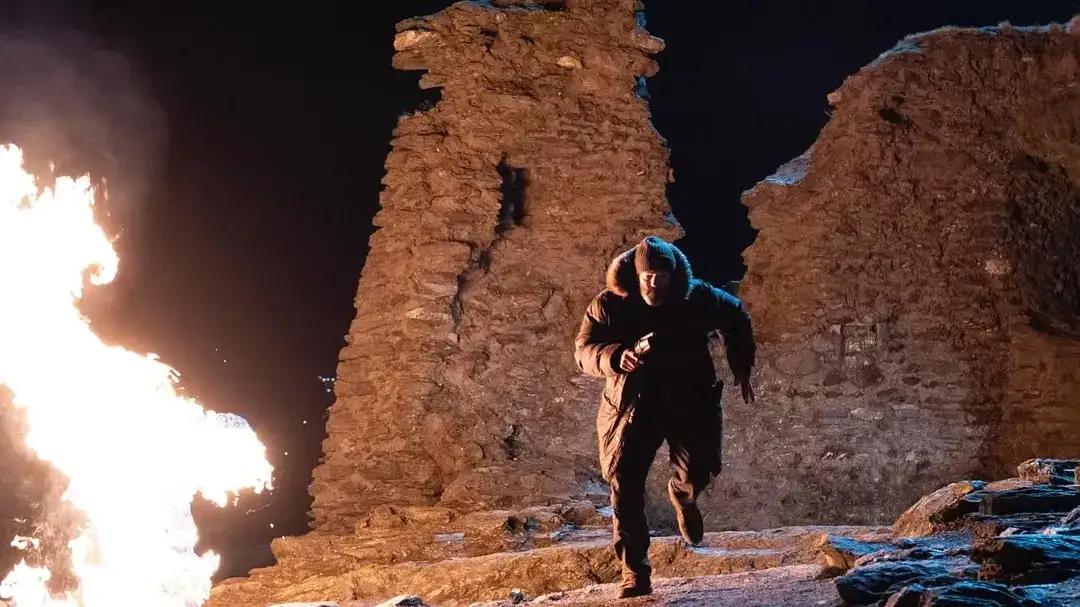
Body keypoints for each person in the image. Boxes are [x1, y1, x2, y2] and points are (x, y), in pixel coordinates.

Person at [573, 235, 756, 598]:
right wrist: (615, 357)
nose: (654, 285)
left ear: (674, 276)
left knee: (697, 469)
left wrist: (741, 363)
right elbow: (584, 350)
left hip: (688, 400)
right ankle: (635, 572)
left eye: (662, 277)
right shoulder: (609, 304)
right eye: (648, 277)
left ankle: (683, 497)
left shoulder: (696, 297)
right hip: (631, 406)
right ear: (636, 275)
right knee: (624, 485)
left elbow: (735, 315)